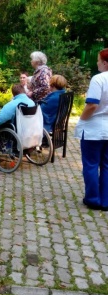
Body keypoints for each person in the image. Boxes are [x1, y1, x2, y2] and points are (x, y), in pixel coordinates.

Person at [74, 48, 108, 211]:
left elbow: (92, 104)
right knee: (107, 165)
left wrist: (81, 120)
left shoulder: (99, 79)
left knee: (91, 164)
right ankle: (105, 200)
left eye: (98, 60)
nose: (97, 63)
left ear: (105, 63)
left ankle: (93, 198)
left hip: (94, 129)